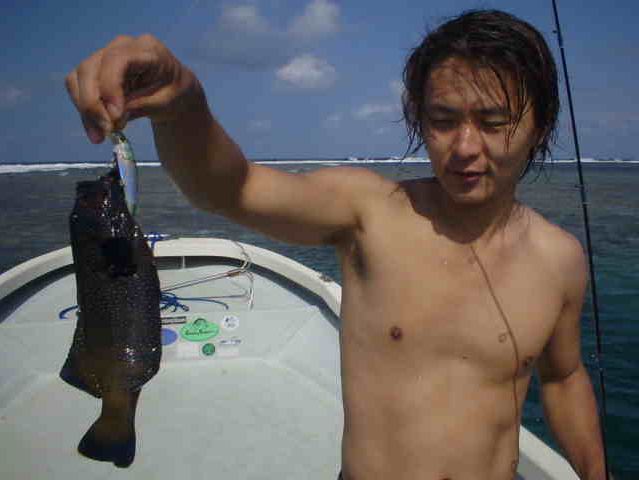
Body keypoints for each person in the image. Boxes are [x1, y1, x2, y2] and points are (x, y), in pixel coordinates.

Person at [65, 9, 607, 480]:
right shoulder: (368, 214)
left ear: (540, 126)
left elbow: (563, 377)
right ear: (419, 120)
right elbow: (232, 188)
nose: (465, 146)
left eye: (493, 122)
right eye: (443, 121)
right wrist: (182, 101)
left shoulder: (560, 259)